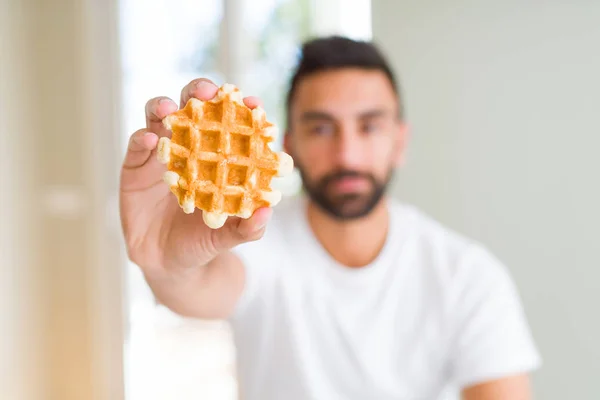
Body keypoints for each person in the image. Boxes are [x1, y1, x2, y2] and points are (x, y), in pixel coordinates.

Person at [119, 36, 541, 400]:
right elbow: (201, 285)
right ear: (287, 145)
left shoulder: (467, 275)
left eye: (370, 127)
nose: (347, 155)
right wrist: (165, 263)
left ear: (400, 141)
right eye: (321, 128)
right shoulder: (257, 241)